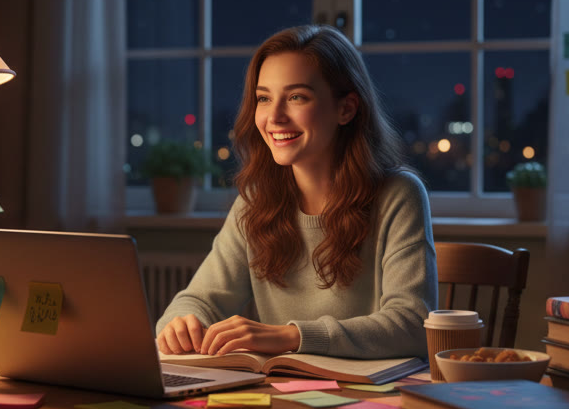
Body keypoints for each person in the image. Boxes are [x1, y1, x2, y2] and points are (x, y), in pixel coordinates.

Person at [154, 24, 437, 360]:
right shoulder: (256, 200)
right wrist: (180, 324)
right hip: (277, 396)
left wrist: (291, 336)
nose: (274, 117)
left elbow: (411, 325)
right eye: (263, 98)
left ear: (346, 109)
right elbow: (197, 300)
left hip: (369, 400)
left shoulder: (398, 194)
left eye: (296, 97)